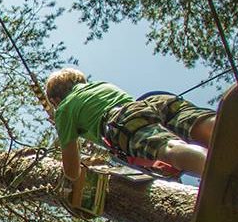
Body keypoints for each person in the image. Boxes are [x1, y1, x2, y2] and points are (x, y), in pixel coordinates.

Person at [45, 68, 215, 206]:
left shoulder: (63, 109)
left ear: (56, 99)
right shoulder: (99, 85)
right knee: (196, 124)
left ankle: (217, 171)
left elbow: (72, 170)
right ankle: (223, 131)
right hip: (150, 102)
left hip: (121, 120)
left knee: (167, 147)